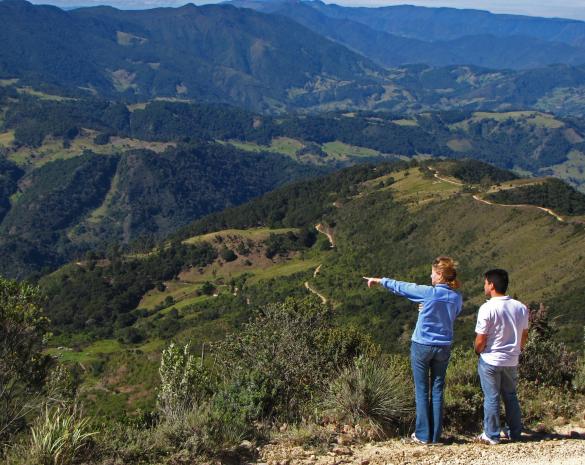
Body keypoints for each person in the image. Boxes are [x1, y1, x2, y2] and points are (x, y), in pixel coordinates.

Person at [364, 256, 462, 444]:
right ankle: (435, 435)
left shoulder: (428, 293)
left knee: (421, 389)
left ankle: (423, 435)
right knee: (438, 389)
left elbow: (403, 287)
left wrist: (380, 280)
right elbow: (450, 316)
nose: (430, 275)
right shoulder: (457, 297)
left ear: (440, 274)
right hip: (444, 347)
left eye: (433, 272)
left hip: (422, 345)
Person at [474, 269, 529, 445]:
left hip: (491, 359)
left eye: (485, 283)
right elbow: (524, 335)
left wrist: (478, 350)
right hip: (511, 359)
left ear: (491, 285)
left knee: (492, 397)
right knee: (510, 396)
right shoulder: (520, 307)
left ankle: (491, 434)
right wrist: (517, 350)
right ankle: (515, 432)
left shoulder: (487, 308)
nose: (484, 286)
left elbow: (481, 339)